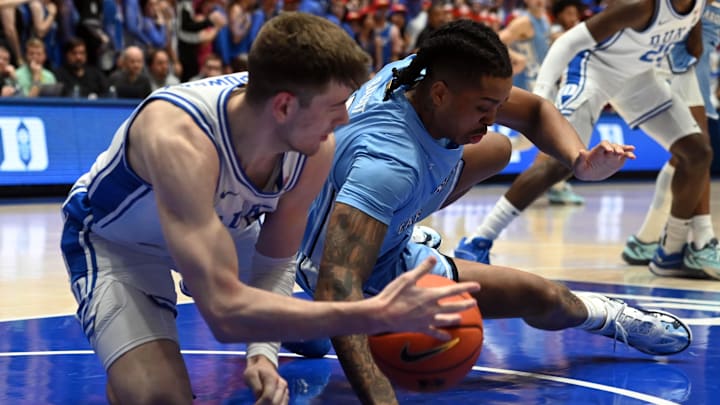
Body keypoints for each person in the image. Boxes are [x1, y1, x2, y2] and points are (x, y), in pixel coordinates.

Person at [59, 13, 481, 405]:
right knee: (158, 395)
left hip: (216, 227)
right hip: (118, 243)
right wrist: (373, 313)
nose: (345, 120)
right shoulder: (180, 139)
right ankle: (142, 348)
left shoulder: (314, 145)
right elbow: (224, 316)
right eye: (336, 107)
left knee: (299, 323)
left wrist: (262, 355)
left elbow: (277, 262)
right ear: (284, 107)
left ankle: (203, 273)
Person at [283, 20, 690, 404]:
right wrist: (381, 395)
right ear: (440, 93)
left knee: (496, 147)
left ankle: (317, 319)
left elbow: (534, 112)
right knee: (541, 296)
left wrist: (579, 160)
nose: (493, 116)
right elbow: (338, 285)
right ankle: (319, 319)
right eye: (483, 107)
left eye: (497, 104)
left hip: (341, 220)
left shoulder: (417, 73)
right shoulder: (389, 163)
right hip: (338, 265)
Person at [461, 0, 715, 274]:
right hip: (593, 71)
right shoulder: (641, 6)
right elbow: (566, 44)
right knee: (558, 163)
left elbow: (692, 46)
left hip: (638, 78)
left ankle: (671, 252)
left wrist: (687, 54)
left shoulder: (698, 6)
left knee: (698, 152)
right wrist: (542, 96)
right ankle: (478, 239)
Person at [621, 1, 720, 280]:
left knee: (687, 154)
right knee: (697, 150)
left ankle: (646, 240)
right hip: (677, 55)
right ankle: (701, 242)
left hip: (690, 55)